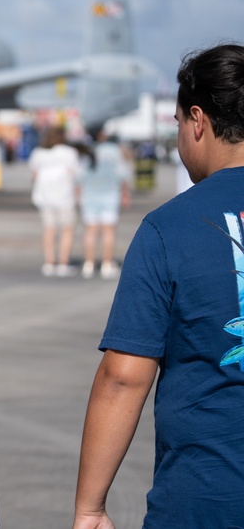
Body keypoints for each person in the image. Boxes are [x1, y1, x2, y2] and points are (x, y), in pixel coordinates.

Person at [73, 43, 244, 528]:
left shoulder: (169, 228)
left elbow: (124, 375)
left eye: (175, 125)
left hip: (208, 499)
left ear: (197, 120)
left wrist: (90, 507)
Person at [76, 128, 131, 279]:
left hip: (90, 195)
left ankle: (89, 263)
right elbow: (122, 173)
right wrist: (125, 193)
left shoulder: (88, 151)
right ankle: (107, 264)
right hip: (110, 194)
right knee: (108, 231)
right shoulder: (113, 150)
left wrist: (78, 194)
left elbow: (79, 176)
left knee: (90, 230)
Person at [29, 126, 80, 276]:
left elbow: (33, 175)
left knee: (49, 230)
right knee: (67, 230)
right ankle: (63, 262)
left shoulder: (38, 153)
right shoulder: (70, 153)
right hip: (65, 196)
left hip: (44, 196)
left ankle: (49, 262)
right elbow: (75, 175)